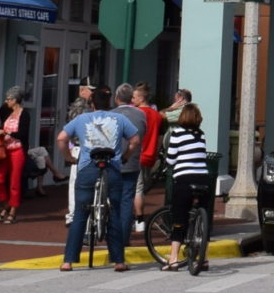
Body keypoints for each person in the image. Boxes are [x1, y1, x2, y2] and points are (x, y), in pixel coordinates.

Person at [56, 88, 140, 272]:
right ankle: (118, 261)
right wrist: (125, 156)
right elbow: (135, 140)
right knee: (115, 211)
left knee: (80, 213)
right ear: (109, 103)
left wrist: (69, 157)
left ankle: (68, 261)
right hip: (112, 167)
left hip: (88, 167)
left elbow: (61, 138)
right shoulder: (120, 119)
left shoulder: (81, 119)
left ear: (92, 104)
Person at [158, 98, 213, 272]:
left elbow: (171, 158)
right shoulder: (201, 134)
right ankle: (203, 257)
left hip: (184, 179)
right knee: (203, 220)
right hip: (203, 179)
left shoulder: (177, 134)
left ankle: (173, 258)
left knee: (179, 219)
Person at [127, 82, 164, 224]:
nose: (132, 100)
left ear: (141, 98)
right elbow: (160, 136)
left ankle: (139, 218)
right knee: (141, 187)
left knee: (137, 188)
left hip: (137, 154)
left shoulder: (137, 114)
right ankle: (138, 216)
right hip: (150, 155)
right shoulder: (156, 115)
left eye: (134, 97)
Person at [0, 86, 28, 224]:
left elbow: (23, 134)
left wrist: (7, 133)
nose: (6, 101)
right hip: (4, 151)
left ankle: (13, 210)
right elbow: (0, 112)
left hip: (17, 150)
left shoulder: (24, 114)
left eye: (8, 99)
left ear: (15, 100)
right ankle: (6, 203)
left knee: (14, 181)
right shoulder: (7, 112)